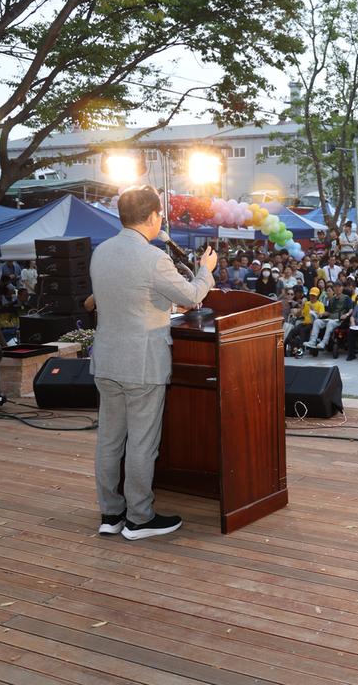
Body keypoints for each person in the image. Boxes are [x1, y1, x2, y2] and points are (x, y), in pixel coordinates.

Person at [90, 185, 216, 541]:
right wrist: (205, 269)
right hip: (142, 364)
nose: (161, 219)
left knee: (109, 442)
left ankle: (111, 514)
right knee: (142, 444)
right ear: (151, 217)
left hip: (107, 360)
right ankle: (139, 518)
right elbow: (192, 295)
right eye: (160, 214)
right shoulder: (153, 258)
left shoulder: (101, 251)